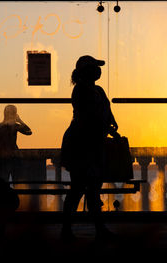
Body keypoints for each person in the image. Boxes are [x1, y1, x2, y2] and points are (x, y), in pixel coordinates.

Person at [60, 55, 119, 241]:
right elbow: (88, 116)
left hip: (94, 144)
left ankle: (98, 229)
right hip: (81, 144)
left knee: (92, 189)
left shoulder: (98, 90)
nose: (98, 70)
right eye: (94, 67)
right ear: (87, 71)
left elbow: (107, 112)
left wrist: (111, 126)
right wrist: (105, 126)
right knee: (78, 188)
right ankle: (69, 229)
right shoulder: (80, 91)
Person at [0, 105, 32, 182]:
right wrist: (20, 120)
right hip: (14, 156)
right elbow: (29, 132)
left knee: (3, 183)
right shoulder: (14, 125)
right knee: (17, 182)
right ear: (15, 113)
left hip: (2, 158)